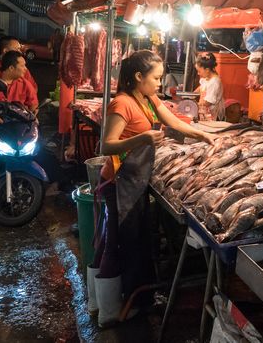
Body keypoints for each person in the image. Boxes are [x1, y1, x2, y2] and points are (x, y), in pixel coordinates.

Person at [88, 50, 214, 328]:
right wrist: (143, 138)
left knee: (126, 242)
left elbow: (173, 121)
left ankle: (110, 303)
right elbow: (106, 145)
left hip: (135, 181)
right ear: (138, 77)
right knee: (117, 244)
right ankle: (110, 312)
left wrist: (203, 135)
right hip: (119, 182)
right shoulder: (122, 103)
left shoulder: (146, 98)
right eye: (155, 78)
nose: (159, 83)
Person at [0, 50, 38, 121]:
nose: (25, 69)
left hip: (18, 126)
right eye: (22, 66)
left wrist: (26, 116)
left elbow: (33, 104)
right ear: (11, 68)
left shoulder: (25, 84)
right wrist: (2, 123)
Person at [194, 53, 225, 121]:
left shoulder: (214, 82)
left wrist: (193, 104)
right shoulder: (206, 77)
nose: (198, 73)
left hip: (211, 114)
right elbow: (201, 87)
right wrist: (191, 95)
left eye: (199, 71)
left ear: (207, 70)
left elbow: (208, 102)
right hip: (204, 110)